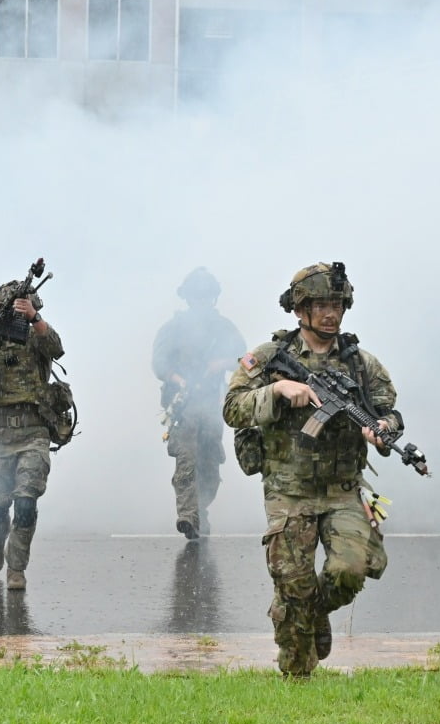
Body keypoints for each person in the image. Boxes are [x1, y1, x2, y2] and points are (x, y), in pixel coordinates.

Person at [223, 262, 400, 678]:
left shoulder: (361, 364)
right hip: (289, 491)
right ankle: (297, 678)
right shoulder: (268, 358)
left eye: (337, 304)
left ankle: (314, 611)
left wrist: (383, 430)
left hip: (343, 490)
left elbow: (389, 412)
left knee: (349, 570)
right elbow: (232, 408)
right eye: (320, 304)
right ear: (299, 309)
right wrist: (278, 390)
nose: (330, 313)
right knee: (294, 584)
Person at [0, 281, 64, 590]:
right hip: (0, 435)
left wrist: (34, 318)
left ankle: (16, 567)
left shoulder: (38, 335)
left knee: (25, 501)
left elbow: (56, 347)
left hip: (34, 432)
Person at [153, 267, 246, 539]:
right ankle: (188, 515)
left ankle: (200, 509)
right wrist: (178, 379)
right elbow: (158, 363)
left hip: (213, 406)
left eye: (206, 296)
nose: (201, 301)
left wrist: (224, 363)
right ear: (188, 298)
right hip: (182, 407)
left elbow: (249, 359)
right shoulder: (172, 329)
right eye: (197, 296)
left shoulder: (225, 328)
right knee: (186, 460)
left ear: (213, 298)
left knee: (209, 465)